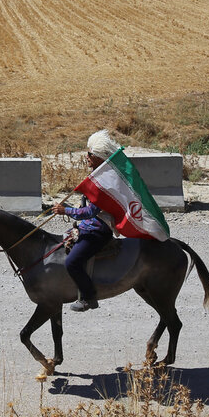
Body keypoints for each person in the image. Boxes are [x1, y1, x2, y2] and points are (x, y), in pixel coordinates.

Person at [50, 130, 120, 312]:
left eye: (90, 154)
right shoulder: (97, 175)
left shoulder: (104, 180)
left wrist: (66, 210)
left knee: (71, 262)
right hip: (87, 226)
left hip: (98, 230)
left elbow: (91, 211)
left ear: (98, 157)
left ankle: (89, 298)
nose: (86, 156)